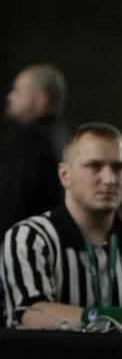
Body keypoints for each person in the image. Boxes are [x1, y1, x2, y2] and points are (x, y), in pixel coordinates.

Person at [1, 123, 122, 328]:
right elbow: (32, 313)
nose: (109, 179)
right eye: (94, 166)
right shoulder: (30, 237)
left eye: (119, 167)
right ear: (65, 175)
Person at [1, 64, 70, 236]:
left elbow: (13, 202)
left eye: (17, 91)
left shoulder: (29, 141)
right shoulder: (66, 138)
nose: (10, 97)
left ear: (41, 100)